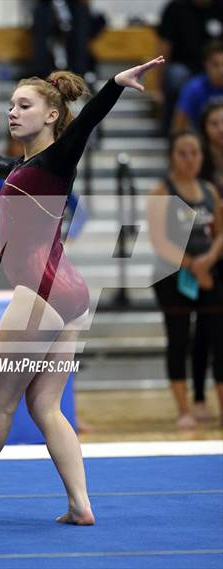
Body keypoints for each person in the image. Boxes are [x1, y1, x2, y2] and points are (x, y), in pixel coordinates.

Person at [0, 56, 165, 524]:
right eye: (10, 104)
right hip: (69, 292)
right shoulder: (34, 166)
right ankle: (80, 504)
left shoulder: (60, 155)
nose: (12, 111)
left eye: (23, 105)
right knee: (45, 404)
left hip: (41, 294)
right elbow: (11, 168)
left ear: (51, 115)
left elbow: (85, 123)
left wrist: (112, 84)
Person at [148, 130, 223, 429]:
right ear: (172, 156)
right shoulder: (161, 193)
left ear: (202, 157)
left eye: (195, 153)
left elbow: (219, 235)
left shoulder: (209, 190)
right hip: (173, 276)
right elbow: (159, 242)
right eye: (183, 153)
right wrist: (193, 265)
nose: (190, 159)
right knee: (178, 340)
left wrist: (209, 261)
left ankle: (215, 404)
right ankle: (184, 409)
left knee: (217, 339)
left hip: (210, 273)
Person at [191, 102, 223, 420]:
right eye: (215, 123)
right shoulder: (197, 165)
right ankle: (199, 397)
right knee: (205, 329)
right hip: (203, 254)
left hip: (216, 249)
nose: (220, 129)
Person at [156, 0, 223, 132]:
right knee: (177, 76)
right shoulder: (176, 7)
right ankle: (167, 128)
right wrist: (157, 89)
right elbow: (163, 48)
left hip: (216, 59)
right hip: (184, 67)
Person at [173, 40, 223, 131]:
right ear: (206, 64)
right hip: (201, 140)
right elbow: (179, 126)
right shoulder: (193, 88)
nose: (221, 71)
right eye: (216, 65)